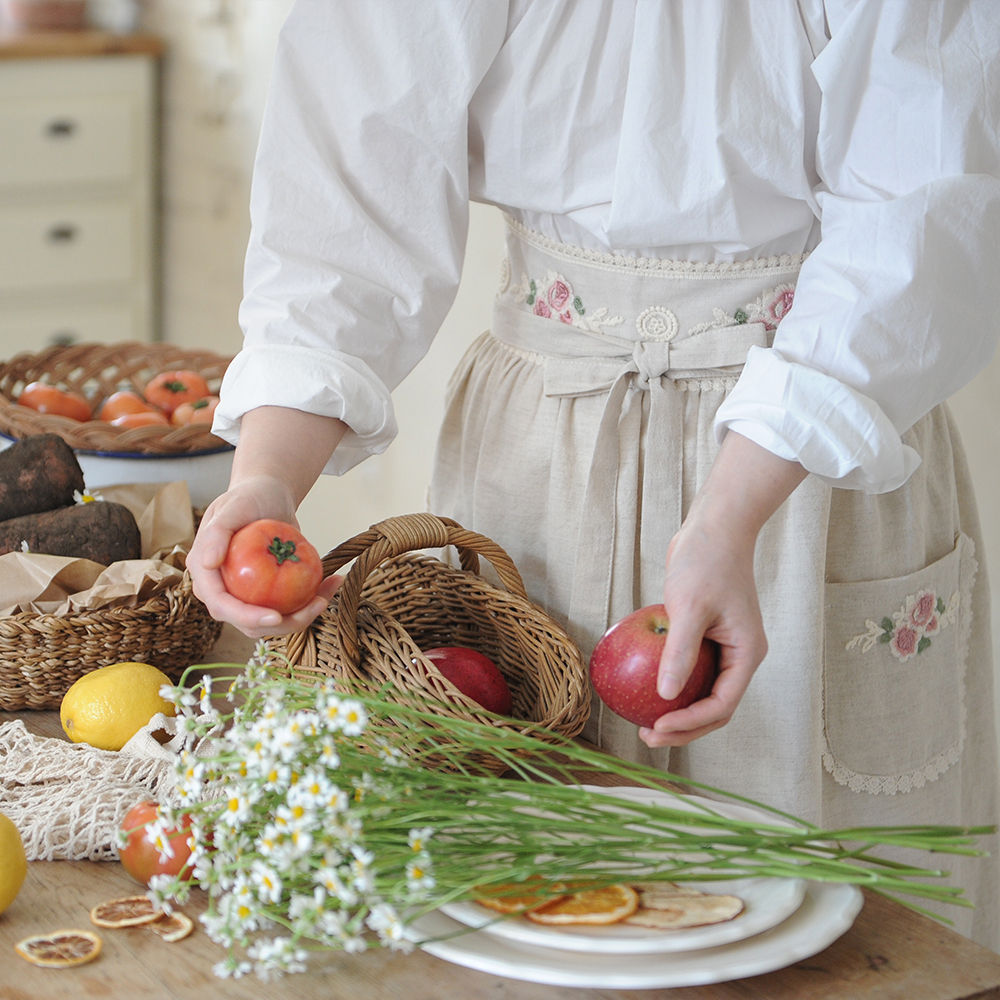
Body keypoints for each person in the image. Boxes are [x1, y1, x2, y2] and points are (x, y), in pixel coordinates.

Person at [188, 1, 1000, 948]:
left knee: (846, 925)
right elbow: (343, 210)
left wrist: (727, 521)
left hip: (812, 456)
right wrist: (268, 480)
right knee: (520, 884)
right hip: (541, 453)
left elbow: (924, 210)